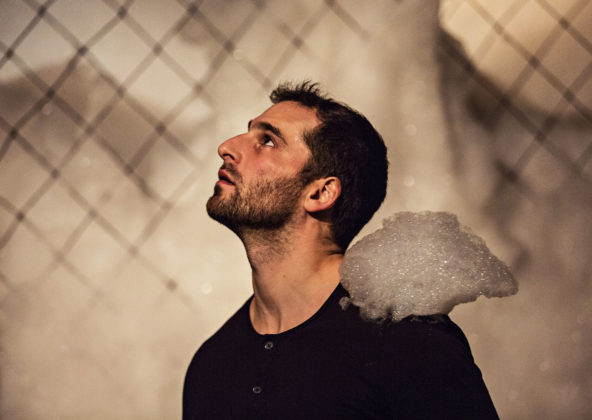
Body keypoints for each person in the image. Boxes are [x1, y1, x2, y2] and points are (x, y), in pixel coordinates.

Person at [183, 81, 499, 419]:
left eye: (268, 141)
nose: (226, 147)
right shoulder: (212, 366)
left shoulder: (407, 342)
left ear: (320, 193)